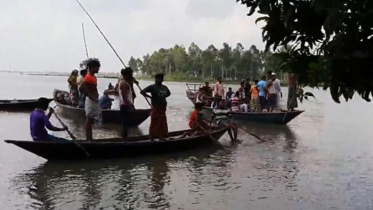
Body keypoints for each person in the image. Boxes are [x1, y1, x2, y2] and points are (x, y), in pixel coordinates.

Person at [141, 74, 171, 141]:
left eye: (161, 79)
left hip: (163, 108)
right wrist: (150, 97)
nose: (160, 80)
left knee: (161, 123)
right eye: (158, 79)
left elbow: (169, 93)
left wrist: (162, 97)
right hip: (156, 107)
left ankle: (161, 136)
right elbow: (142, 92)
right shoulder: (152, 87)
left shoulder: (164, 87)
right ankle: (151, 137)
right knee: (154, 122)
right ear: (156, 79)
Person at [79, 58, 102, 141]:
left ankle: (90, 137)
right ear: (92, 67)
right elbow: (81, 88)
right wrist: (90, 95)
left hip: (94, 100)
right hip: (91, 100)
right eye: (97, 67)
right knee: (89, 118)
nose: (98, 69)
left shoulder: (93, 77)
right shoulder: (88, 77)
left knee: (91, 118)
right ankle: (88, 138)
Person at [119, 68, 136, 139]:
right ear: (125, 75)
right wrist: (130, 106)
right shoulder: (123, 83)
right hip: (125, 105)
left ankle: (125, 137)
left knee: (127, 123)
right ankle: (124, 138)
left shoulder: (127, 82)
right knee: (125, 123)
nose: (131, 76)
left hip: (127, 104)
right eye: (130, 75)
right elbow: (124, 97)